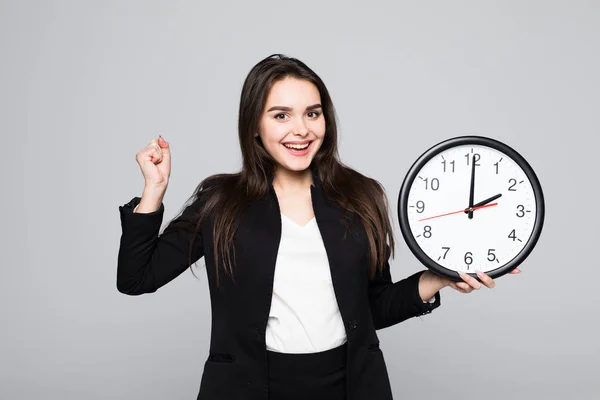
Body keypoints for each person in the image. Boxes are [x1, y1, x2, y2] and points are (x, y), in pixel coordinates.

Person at [116, 54, 520, 400]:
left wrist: (439, 278)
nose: (301, 130)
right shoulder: (220, 202)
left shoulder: (361, 196)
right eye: (281, 116)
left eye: (312, 113)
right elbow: (136, 278)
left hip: (350, 385)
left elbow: (372, 307)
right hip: (248, 386)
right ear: (254, 126)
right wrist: (154, 189)